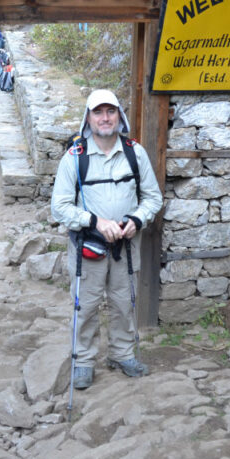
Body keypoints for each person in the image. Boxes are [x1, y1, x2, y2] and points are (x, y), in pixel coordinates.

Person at [51, 89, 163, 390]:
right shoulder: (75, 157)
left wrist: (137, 220)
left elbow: (152, 197)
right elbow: (59, 206)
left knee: (124, 302)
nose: (105, 118)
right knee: (85, 305)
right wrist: (95, 221)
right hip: (88, 245)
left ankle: (122, 354)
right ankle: (84, 361)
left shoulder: (133, 152)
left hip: (126, 245)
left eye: (110, 111)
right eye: (98, 112)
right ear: (88, 118)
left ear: (119, 116)